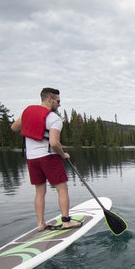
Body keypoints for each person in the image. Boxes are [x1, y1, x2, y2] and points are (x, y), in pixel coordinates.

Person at [11, 87, 81, 231]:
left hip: (32, 159)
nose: (59, 104)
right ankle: (66, 221)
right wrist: (63, 154)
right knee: (62, 189)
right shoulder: (54, 118)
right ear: (49, 99)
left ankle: (41, 224)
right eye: (58, 101)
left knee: (39, 191)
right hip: (48, 158)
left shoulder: (26, 113)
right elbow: (54, 143)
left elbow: (14, 128)